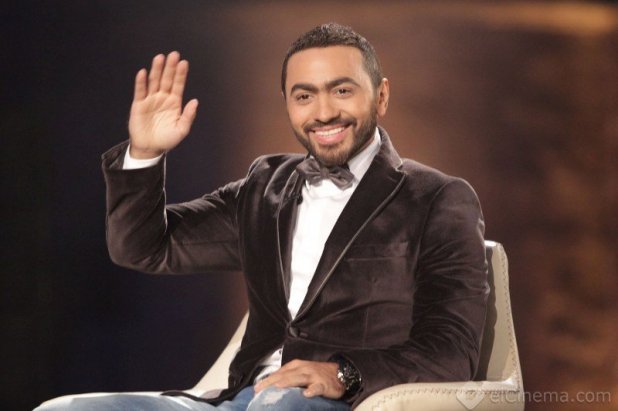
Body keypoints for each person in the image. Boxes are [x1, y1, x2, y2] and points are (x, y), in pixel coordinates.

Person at [36, 23, 488, 411]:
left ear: (381, 95)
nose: (324, 112)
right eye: (304, 96)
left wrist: (343, 374)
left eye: (342, 90)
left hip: (348, 402)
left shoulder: (437, 199)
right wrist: (145, 154)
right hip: (242, 398)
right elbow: (145, 247)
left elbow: (453, 350)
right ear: (288, 104)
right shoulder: (264, 186)